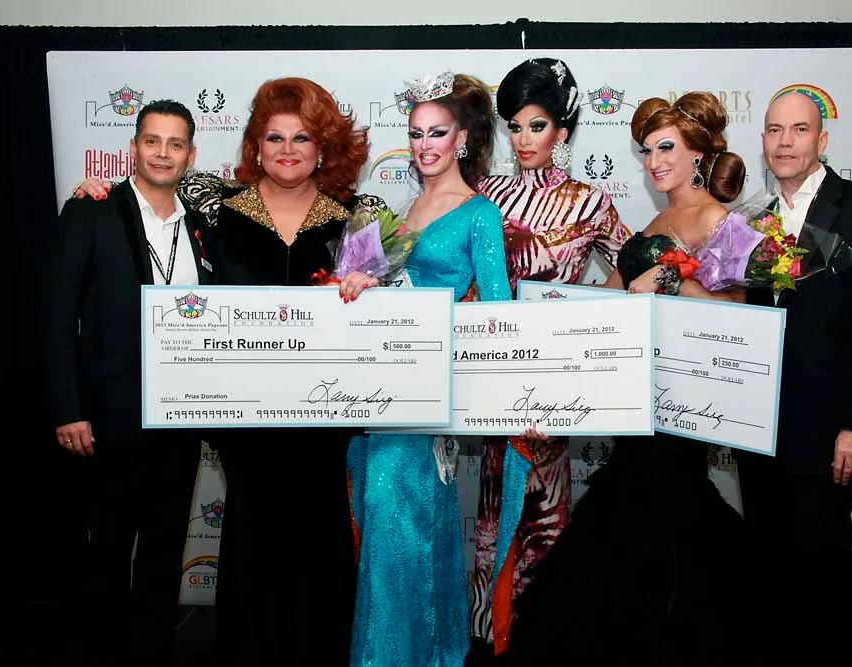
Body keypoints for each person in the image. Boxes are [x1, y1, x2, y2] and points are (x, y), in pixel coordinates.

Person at [74, 77, 374, 666]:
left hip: (324, 416)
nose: (287, 150)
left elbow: (375, 314)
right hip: (244, 419)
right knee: (251, 530)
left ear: (323, 148)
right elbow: (145, 196)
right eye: (274, 137)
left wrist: (369, 283)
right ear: (256, 145)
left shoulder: (357, 219)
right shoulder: (215, 206)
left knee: (319, 531)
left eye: (302, 138)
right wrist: (96, 192)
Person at [498, 92, 757, 666]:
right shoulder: (655, 222)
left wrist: (670, 281)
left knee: (668, 516)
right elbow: (605, 307)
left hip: (684, 406)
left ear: (698, 154)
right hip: (639, 404)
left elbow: (739, 320)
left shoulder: (724, 221)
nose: (653, 161)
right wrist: (546, 343)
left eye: (666, 148)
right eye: (646, 151)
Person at [338, 71, 511, 667]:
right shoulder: (402, 210)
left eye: (437, 132)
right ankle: (424, 653)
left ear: (462, 138)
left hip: (425, 401)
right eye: (415, 133)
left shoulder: (480, 214)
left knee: (398, 532)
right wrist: (357, 285)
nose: (424, 144)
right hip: (379, 396)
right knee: (391, 533)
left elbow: (498, 314)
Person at [735, 89, 852, 667]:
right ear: (762, 141)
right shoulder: (750, 219)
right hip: (759, 433)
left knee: (826, 566)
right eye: (774, 130)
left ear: (823, 139)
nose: (785, 142)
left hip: (831, 431)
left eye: (799, 129)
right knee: (771, 566)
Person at [468, 57, 629, 661]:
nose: (522, 139)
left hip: (555, 383)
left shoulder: (590, 203)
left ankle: (541, 641)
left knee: (545, 515)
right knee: (493, 513)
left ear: (562, 130)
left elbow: (639, 265)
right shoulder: (485, 196)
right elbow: (462, 279)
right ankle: (490, 639)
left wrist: (591, 323)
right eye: (513, 126)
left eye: (535, 126)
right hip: (493, 377)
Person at [41, 99, 209, 667]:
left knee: (164, 551)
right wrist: (68, 409)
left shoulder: (200, 225)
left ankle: (153, 653)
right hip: (109, 417)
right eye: (152, 141)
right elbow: (57, 316)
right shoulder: (91, 211)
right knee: (108, 553)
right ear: (133, 147)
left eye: (175, 144)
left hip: (181, 417)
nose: (163, 153)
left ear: (191, 154)